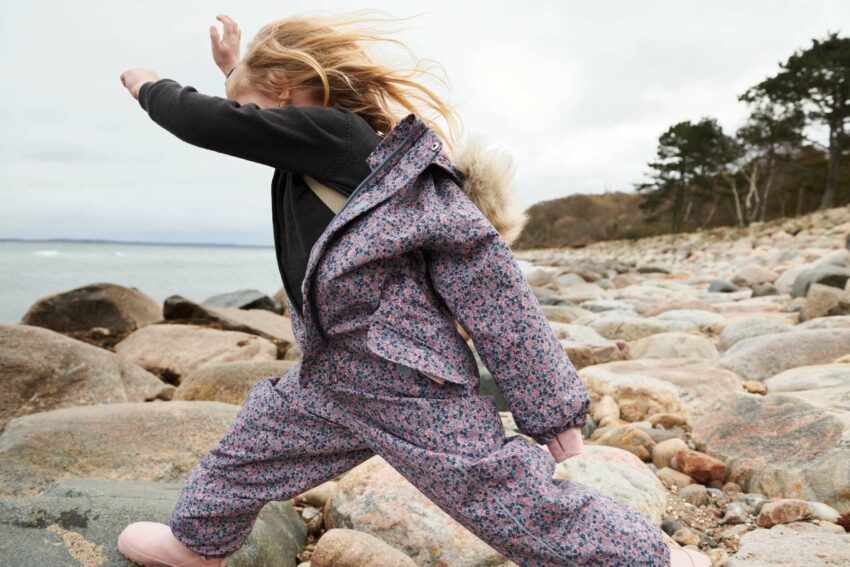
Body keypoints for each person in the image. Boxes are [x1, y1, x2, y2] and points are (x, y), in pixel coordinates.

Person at [117, 11, 709, 567]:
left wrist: (149, 87)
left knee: (499, 494)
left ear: (283, 88)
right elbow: (254, 119)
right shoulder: (326, 149)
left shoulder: (335, 136)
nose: (246, 123)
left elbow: (492, 291)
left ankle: (649, 559)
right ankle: (197, 541)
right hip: (334, 373)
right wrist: (234, 73)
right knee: (252, 450)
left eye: (245, 103)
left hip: (403, 379)